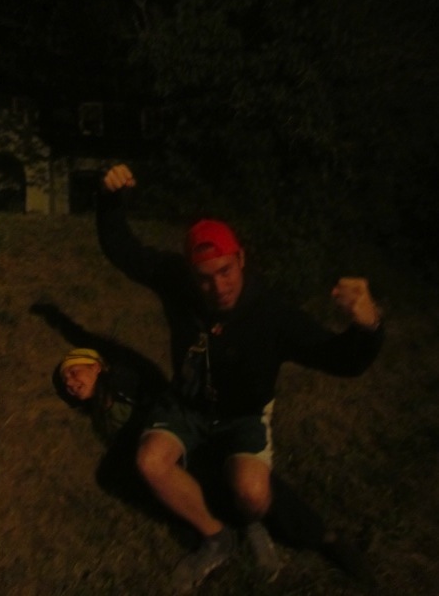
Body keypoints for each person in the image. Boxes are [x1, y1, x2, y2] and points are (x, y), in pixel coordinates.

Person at [97, 164, 384, 593]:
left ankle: (252, 523)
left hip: (243, 414)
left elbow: (341, 361)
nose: (218, 287)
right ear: (190, 274)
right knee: (149, 462)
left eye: (226, 271)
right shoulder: (177, 279)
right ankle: (216, 536)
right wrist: (109, 200)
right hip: (187, 405)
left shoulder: (272, 312)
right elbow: (123, 249)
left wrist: (368, 325)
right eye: (205, 278)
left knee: (252, 493)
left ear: (241, 260)